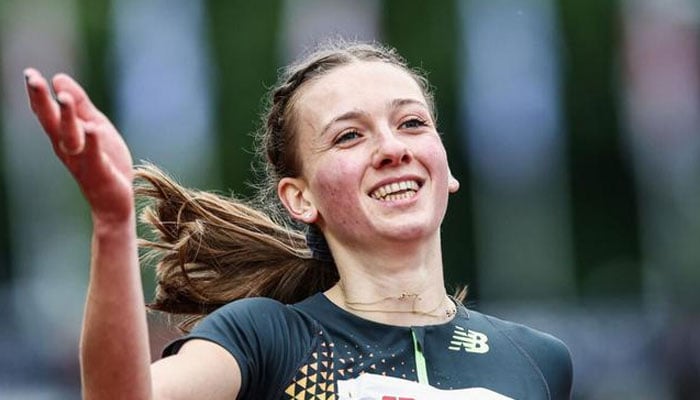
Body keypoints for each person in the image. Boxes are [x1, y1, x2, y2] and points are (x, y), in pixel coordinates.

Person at [24, 41, 573, 399]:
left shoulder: (538, 361)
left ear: (445, 165)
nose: (391, 149)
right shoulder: (266, 337)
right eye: (349, 135)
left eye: (411, 123)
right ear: (299, 198)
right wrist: (113, 222)